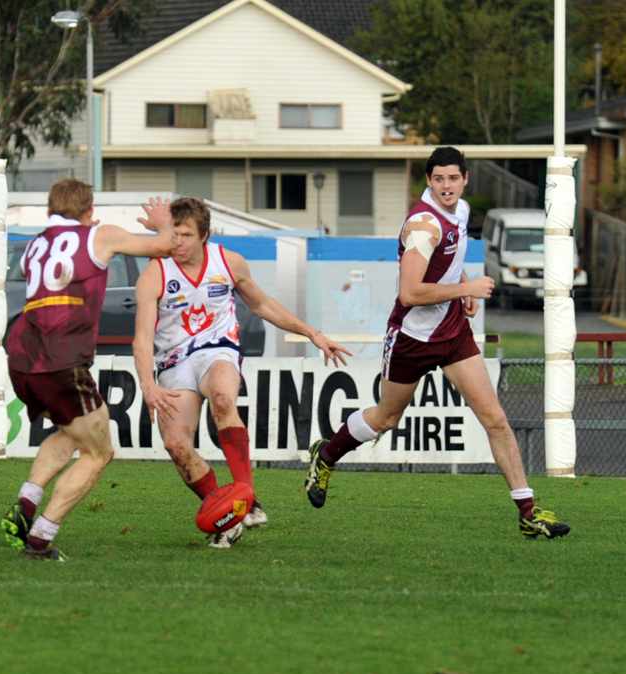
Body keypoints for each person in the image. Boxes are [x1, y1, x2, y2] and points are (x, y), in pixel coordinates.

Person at [303, 146, 570, 539]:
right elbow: (410, 293)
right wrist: (466, 288)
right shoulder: (423, 226)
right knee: (387, 418)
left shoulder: (460, 211)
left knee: (495, 419)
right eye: (439, 179)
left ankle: (528, 513)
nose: (447, 186)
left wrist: (463, 287)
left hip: (452, 332)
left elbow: (450, 260)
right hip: (412, 338)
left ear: (465, 180)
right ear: (429, 181)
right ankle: (326, 455)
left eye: (453, 178)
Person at [133, 198, 350, 548]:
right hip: (173, 361)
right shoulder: (155, 272)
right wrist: (147, 384)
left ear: (205, 236)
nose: (178, 242)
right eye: (174, 234)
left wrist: (312, 333)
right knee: (176, 446)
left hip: (218, 349)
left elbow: (262, 305)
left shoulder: (228, 262)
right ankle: (228, 513)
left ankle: (247, 497)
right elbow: (142, 337)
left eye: (186, 235)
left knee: (222, 398)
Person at [0, 179, 174, 561]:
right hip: (61, 357)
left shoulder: (34, 245)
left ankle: (27, 502)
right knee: (99, 452)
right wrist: (162, 223)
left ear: (50, 209)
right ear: (90, 210)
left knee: (71, 430)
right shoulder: (100, 235)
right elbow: (164, 246)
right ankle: (41, 537)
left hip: (22, 356)